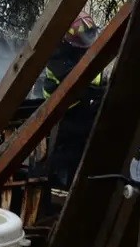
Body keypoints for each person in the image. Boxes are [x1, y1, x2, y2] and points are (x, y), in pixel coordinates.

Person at [44, 12, 105, 190]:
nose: (85, 47)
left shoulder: (85, 51)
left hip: (83, 111)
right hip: (63, 114)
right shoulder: (58, 56)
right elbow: (75, 84)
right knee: (66, 159)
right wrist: (96, 92)